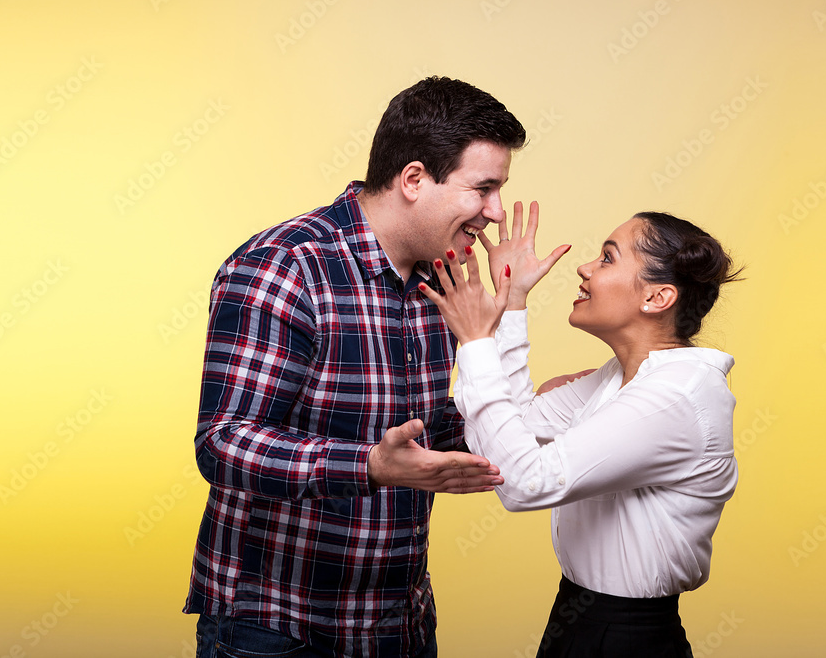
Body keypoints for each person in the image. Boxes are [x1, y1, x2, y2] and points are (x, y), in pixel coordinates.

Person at [184, 76, 528, 657]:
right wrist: (369, 465)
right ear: (414, 179)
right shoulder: (285, 266)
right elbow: (223, 443)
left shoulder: (441, 276)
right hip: (279, 627)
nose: (495, 212)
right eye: (483, 189)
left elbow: (418, 427)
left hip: (400, 621)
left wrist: (539, 412)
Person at [420, 204, 742, 657]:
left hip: (628, 637)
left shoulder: (675, 395)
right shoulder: (621, 378)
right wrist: (512, 301)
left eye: (607, 258)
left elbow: (524, 482)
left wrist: (476, 342)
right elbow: (519, 426)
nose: (584, 268)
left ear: (657, 297)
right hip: (577, 617)